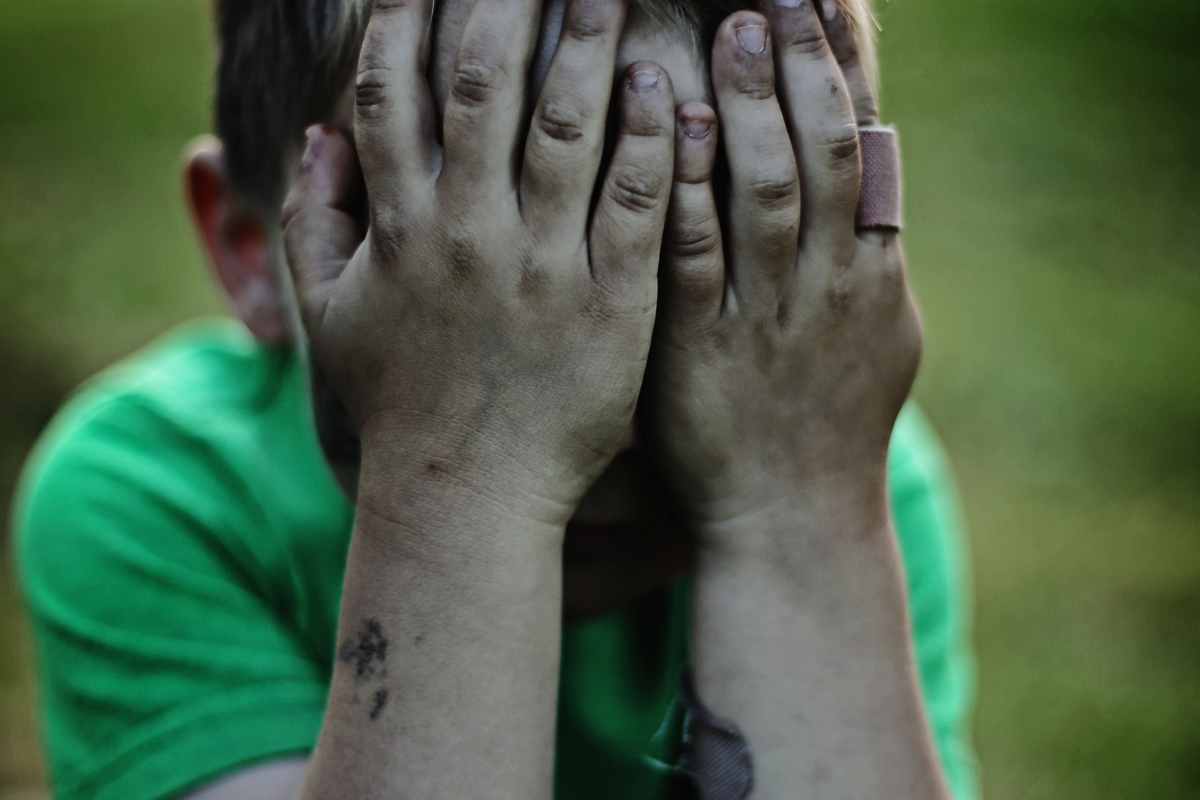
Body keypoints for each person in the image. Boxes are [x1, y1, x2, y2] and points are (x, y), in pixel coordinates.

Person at [11, 0, 978, 796]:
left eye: (693, 276)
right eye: (458, 287)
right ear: (253, 250)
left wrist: (793, 509)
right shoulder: (161, 496)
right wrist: (463, 481)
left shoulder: (843, 478)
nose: (590, 431)